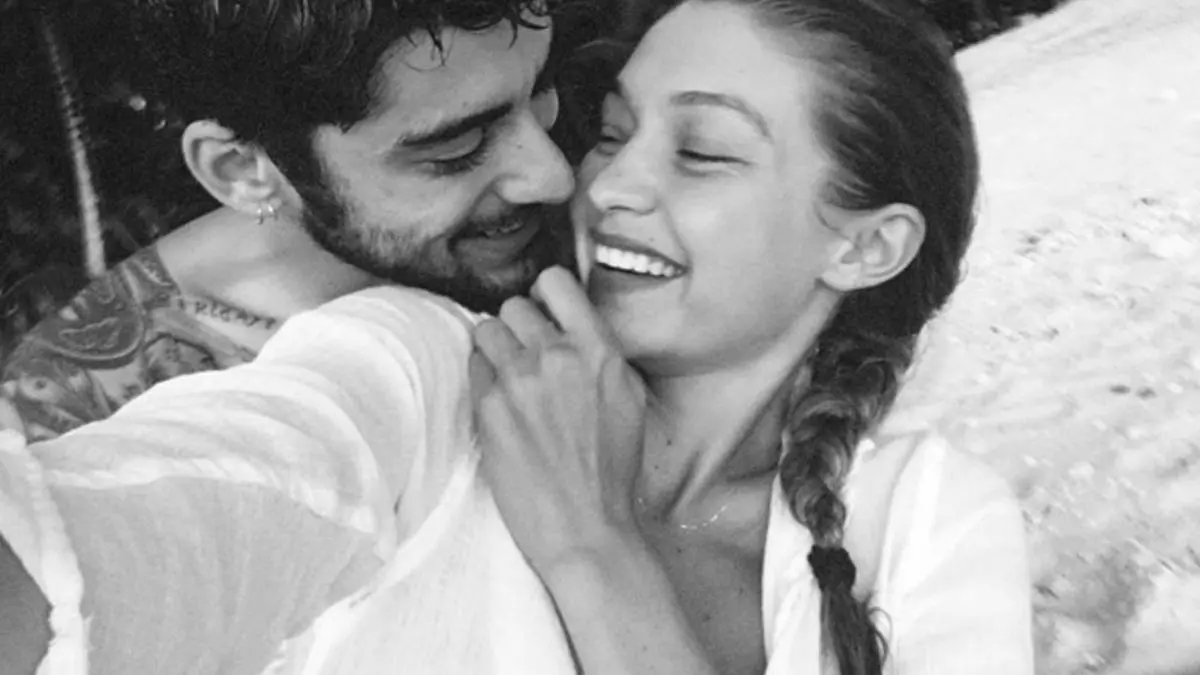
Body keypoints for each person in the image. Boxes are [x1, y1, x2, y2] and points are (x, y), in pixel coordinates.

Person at [0, 0, 1034, 673]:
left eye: (703, 150)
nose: (575, 178)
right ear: (245, 176)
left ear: (867, 245)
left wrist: (597, 552)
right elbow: (152, 531)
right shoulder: (418, 360)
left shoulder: (927, 517)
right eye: (616, 131)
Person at [0, 0, 586, 442]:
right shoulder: (79, 419)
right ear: (241, 173)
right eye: (458, 148)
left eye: (542, 90)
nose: (555, 177)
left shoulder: (611, 175)